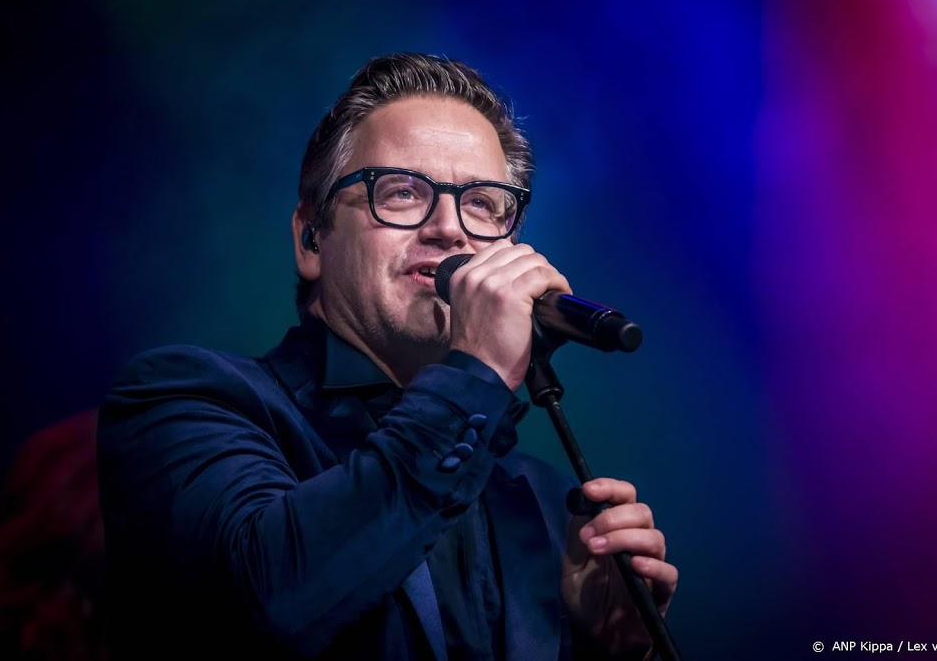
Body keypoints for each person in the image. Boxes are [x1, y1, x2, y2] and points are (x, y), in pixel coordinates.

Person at [96, 52, 677, 660]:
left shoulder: (542, 500)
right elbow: (264, 603)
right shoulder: (184, 401)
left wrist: (599, 647)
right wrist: (478, 376)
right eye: (401, 191)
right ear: (311, 239)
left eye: (483, 203)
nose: (450, 229)